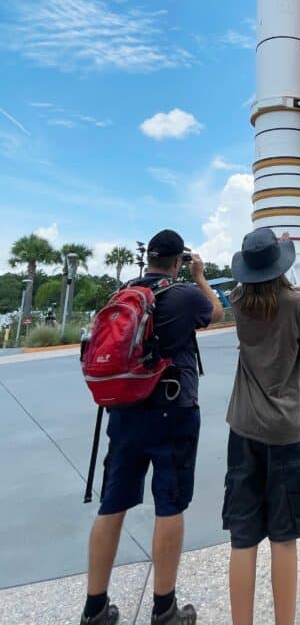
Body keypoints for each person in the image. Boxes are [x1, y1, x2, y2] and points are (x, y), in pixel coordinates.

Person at [81, 230, 223, 625]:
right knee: (169, 503)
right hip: (172, 410)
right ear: (178, 261)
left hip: (123, 412)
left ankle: (94, 609)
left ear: (150, 259)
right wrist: (200, 277)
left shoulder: (121, 295)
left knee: (113, 505)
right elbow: (217, 313)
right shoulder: (182, 294)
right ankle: (164, 609)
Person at [223, 228, 300, 625]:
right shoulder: (299, 305)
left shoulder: (237, 302)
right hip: (286, 431)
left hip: (243, 426)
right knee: (284, 537)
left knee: (243, 537)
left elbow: (251, 288)